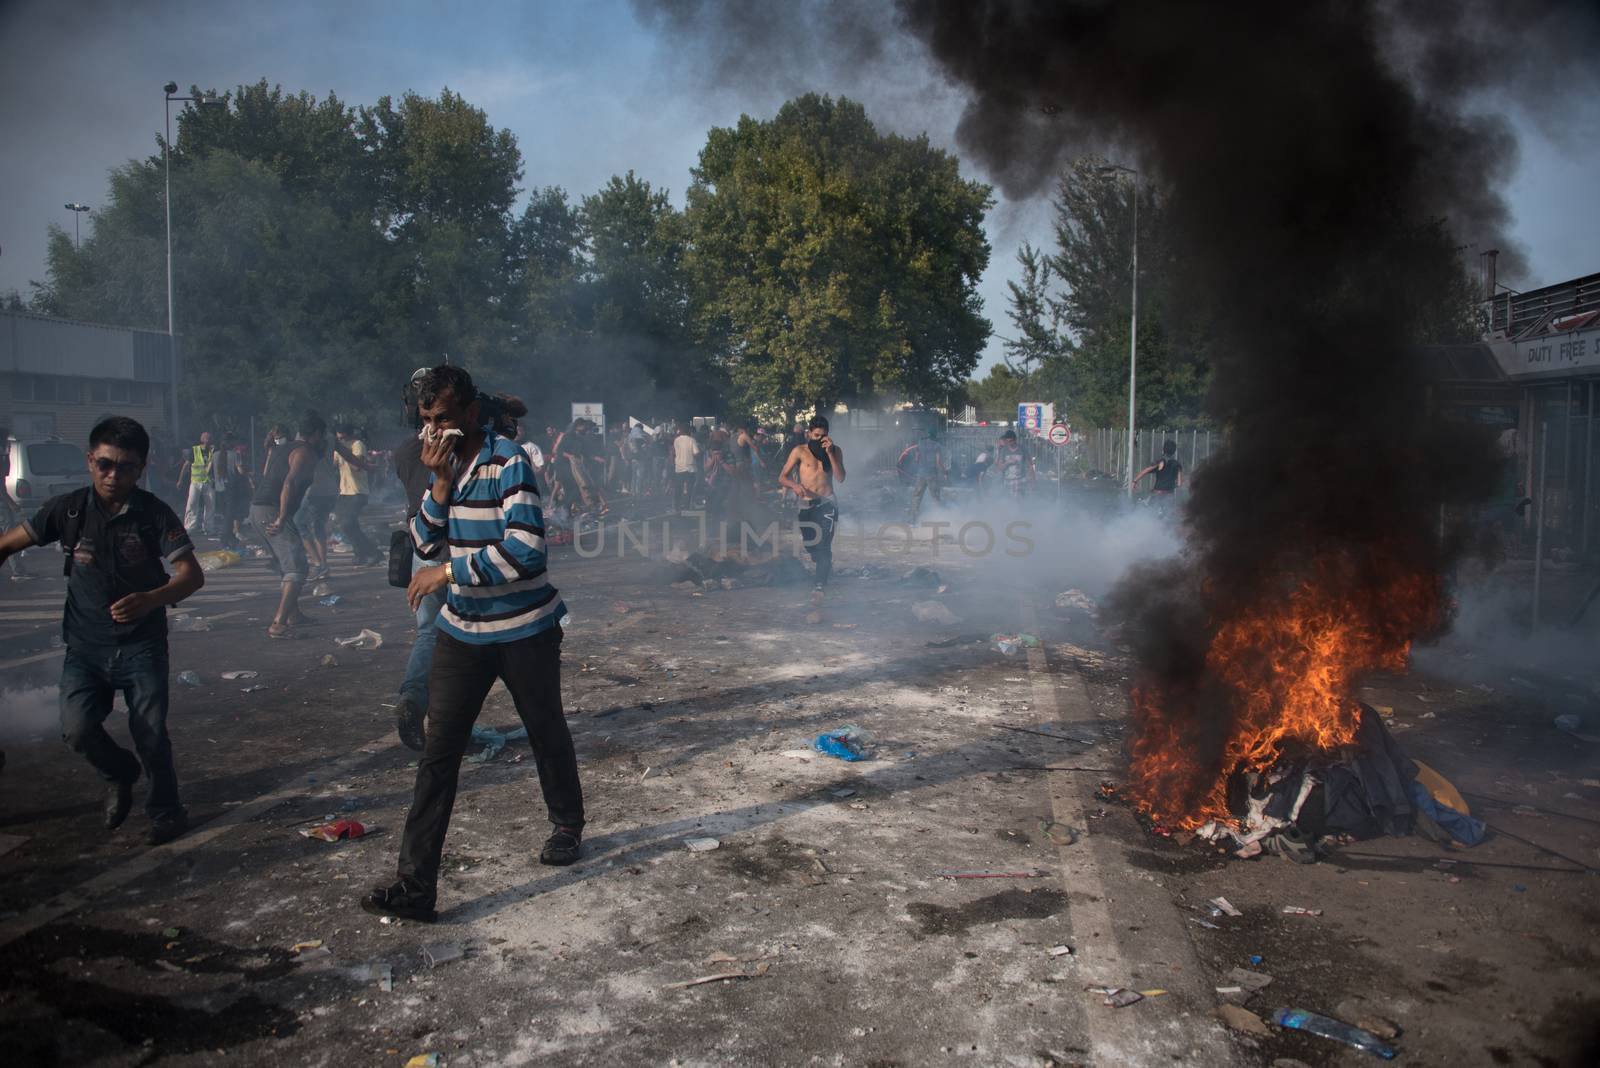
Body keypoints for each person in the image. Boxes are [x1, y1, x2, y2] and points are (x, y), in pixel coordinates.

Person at [362, 365, 581, 924]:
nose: (434, 431)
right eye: (427, 420)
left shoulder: (509, 461)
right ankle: (415, 886)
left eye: (445, 419)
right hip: (463, 633)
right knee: (439, 756)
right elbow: (421, 540)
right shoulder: (433, 463)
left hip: (526, 627)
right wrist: (437, 486)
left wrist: (448, 575)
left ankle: (566, 825)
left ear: (472, 414)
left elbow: (527, 550)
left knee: (544, 729)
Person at [0, 416, 203, 845]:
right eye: (105, 464)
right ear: (91, 461)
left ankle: (166, 811)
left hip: (142, 646)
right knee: (76, 729)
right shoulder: (67, 509)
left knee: (149, 733)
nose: (114, 476)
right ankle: (119, 773)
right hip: (85, 647)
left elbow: (191, 575)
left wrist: (152, 597)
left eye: (125, 467)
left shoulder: (153, 513)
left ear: (141, 468)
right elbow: (7, 544)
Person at [393, 369, 441, 751]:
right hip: (448, 545)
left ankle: (415, 697)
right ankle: (438, 713)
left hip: (420, 547)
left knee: (429, 631)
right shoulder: (455, 450)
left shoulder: (404, 451)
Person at [251, 412, 326, 638]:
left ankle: (294, 615)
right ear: (317, 434)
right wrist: (282, 518)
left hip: (258, 509)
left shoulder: (286, 447)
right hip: (272, 510)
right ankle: (278, 623)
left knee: (285, 565)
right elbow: (290, 482)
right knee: (297, 567)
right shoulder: (304, 451)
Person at [778, 415, 846, 624]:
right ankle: (822, 566)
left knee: (824, 546)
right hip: (806, 505)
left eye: (823, 436)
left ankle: (819, 587)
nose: (819, 439)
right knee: (812, 547)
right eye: (816, 436)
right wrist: (794, 486)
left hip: (827, 503)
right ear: (809, 434)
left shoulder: (835, 450)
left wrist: (830, 454)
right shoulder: (799, 451)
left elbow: (841, 478)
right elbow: (782, 477)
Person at [332, 424, 381, 566]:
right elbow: (333, 466)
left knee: (348, 524)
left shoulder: (357, 445)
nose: (340, 440)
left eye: (342, 437)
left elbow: (357, 466)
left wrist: (343, 452)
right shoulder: (338, 448)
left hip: (358, 491)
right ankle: (361, 553)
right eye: (338, 438)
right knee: (345, 525)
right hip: (344, 491)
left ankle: (373, 552)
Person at [899, 427, 948, 523]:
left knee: (917, 496)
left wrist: (921, 466)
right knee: (935, 497)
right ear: (935, 435)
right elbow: (938, 462)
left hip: (921, 474)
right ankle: (940, 519)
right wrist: (944, 471)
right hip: (932, 474)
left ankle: (913, 519)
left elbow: (916, 459)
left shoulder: (920, 444)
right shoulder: (936, 445)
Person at [176, 431, 219, 537]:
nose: (209, 439)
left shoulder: (213, 450)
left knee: (210, 505)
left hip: (209, 482)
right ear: (202, 439)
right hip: (195, 482)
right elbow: (186, 466)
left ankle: (209, 528)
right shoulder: (194, 450)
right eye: (206, 437)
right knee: (192, 504)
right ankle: (189, 527)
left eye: (210, 437)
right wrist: (180, 480)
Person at [1132, 439, 1184, 512]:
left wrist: (1134, 481)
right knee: (1168, 516)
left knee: (1149, 513)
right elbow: (1179, 483)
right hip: (1169, 495)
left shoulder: (1160, 462)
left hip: (1157, 494)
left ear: (1163, 450)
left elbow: (1145, 471)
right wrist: (1171, 485)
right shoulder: (1178, 465)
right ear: (1174, 451)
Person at [992, 430, 1033, 498]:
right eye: (1007, 441)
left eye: (1011, 441)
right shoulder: (1004, 450)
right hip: (1007, 481)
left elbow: (1030, 465)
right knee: (1008, 502)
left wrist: (1032, 480)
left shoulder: (1023, 449)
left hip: (1020, 480)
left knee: (1017, 501)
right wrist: (1007, 462)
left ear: (1015, 440)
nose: (1009, 443)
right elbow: (999, 468)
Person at [670, 423, 700, 513]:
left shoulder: (676, 440)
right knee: (689, 489)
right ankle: (686, 506)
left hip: (679, 467)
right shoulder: (692, 440)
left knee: (678, 488)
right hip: (690, 468)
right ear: (688, 431)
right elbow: (696, 453)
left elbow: (674, 452)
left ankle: (676, 507)